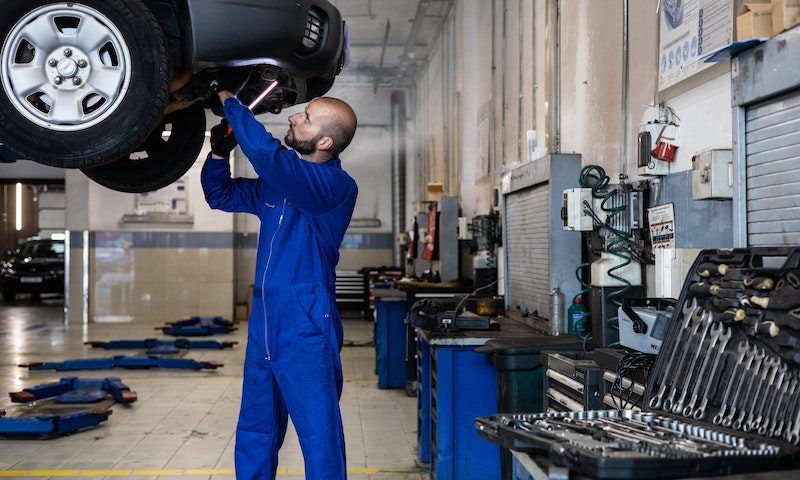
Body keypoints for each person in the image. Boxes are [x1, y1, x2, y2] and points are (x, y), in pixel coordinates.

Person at [201, 90, 358, 480]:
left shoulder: (335, 186)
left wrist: (233, 105)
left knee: (318, 435)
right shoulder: (279, 185)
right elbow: (220, 195)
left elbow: (274, 161)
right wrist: (219, 154)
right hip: (265, 322)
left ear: (324, 142)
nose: (293, 119)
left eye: (305, 118)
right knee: (256, 426)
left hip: (306, 324)